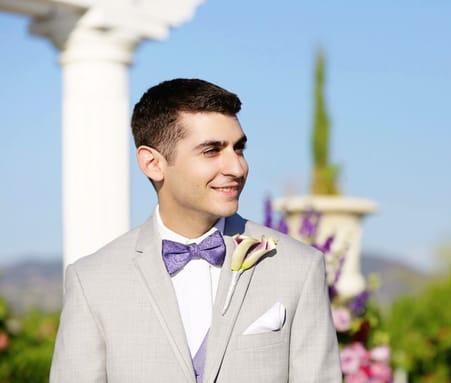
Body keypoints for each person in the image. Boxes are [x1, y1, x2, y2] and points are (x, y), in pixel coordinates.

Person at [50, 78, 342, 383]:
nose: (237, 168)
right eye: (212, 151)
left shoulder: (298, 268)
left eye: (238, 148)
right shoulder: (93, 281)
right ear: (152, 163)